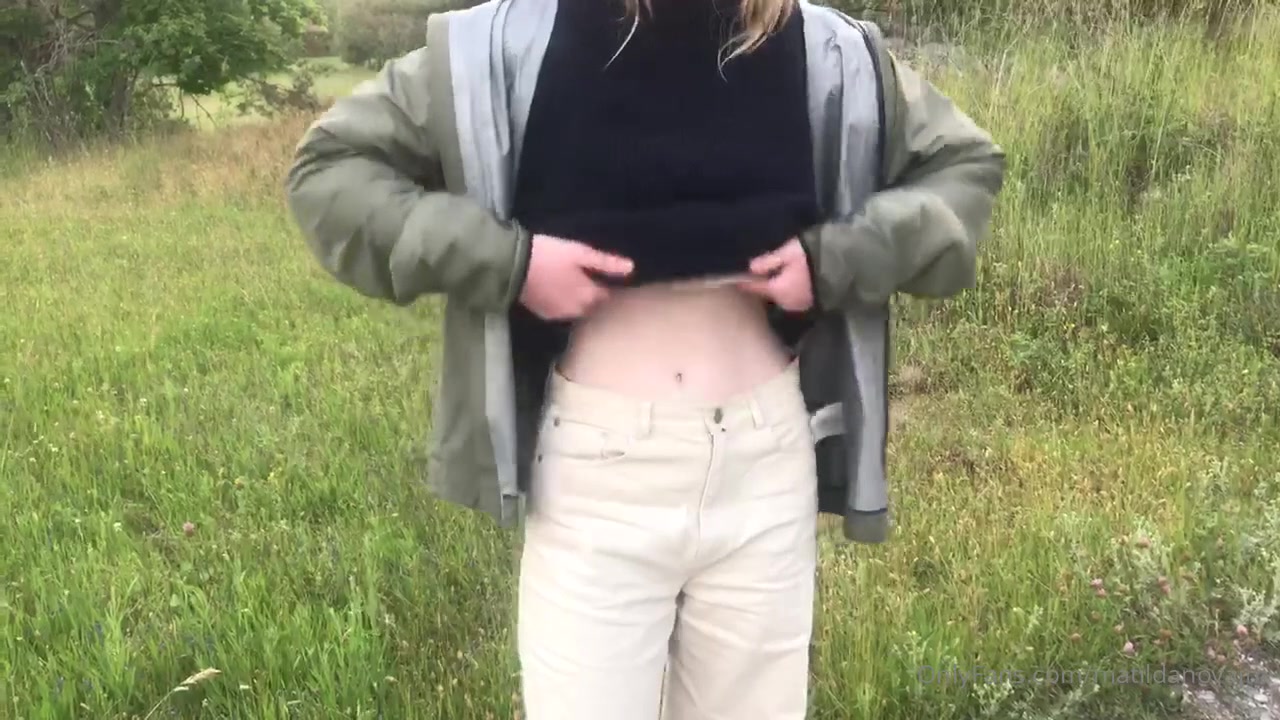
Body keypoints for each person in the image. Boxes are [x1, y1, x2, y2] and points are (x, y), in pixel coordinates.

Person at [285, 0, 1004, 715]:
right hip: (597, 476)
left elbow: (964, 164)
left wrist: (839, 259)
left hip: (766, 468)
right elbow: (331, 169)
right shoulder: (507, 42)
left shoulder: (825, 49)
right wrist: (511, 264)